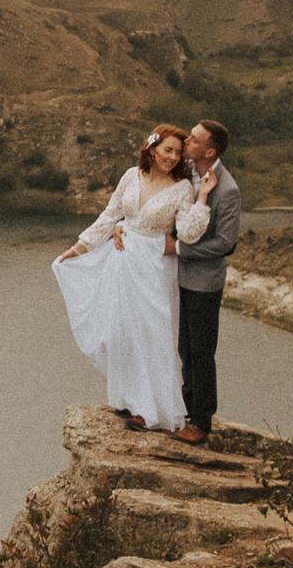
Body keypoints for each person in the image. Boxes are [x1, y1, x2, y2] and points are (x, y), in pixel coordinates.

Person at [50, 124, 215, 433]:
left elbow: (190, 233)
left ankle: (153, 412)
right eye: (168, 150)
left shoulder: (182, 188)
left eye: (179, 152)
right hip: (123, 260)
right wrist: (77, 248)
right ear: (151, 148)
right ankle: (130, 398)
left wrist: (203, 198)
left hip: (154, 266)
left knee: (154, 335)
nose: (173, 157)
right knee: (121, 331)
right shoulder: (130, 175)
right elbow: (110, 215)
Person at [162, 120, 239, 444]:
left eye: (193, 140)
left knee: (201, 351)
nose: (186, 142)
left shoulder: (227, 189)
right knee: (184, 347)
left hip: (205, 283)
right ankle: (187, 408)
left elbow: (226, 243)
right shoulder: (186, 175)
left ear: (209, 151)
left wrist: (178, 248)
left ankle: (202, 422)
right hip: (180, 277)